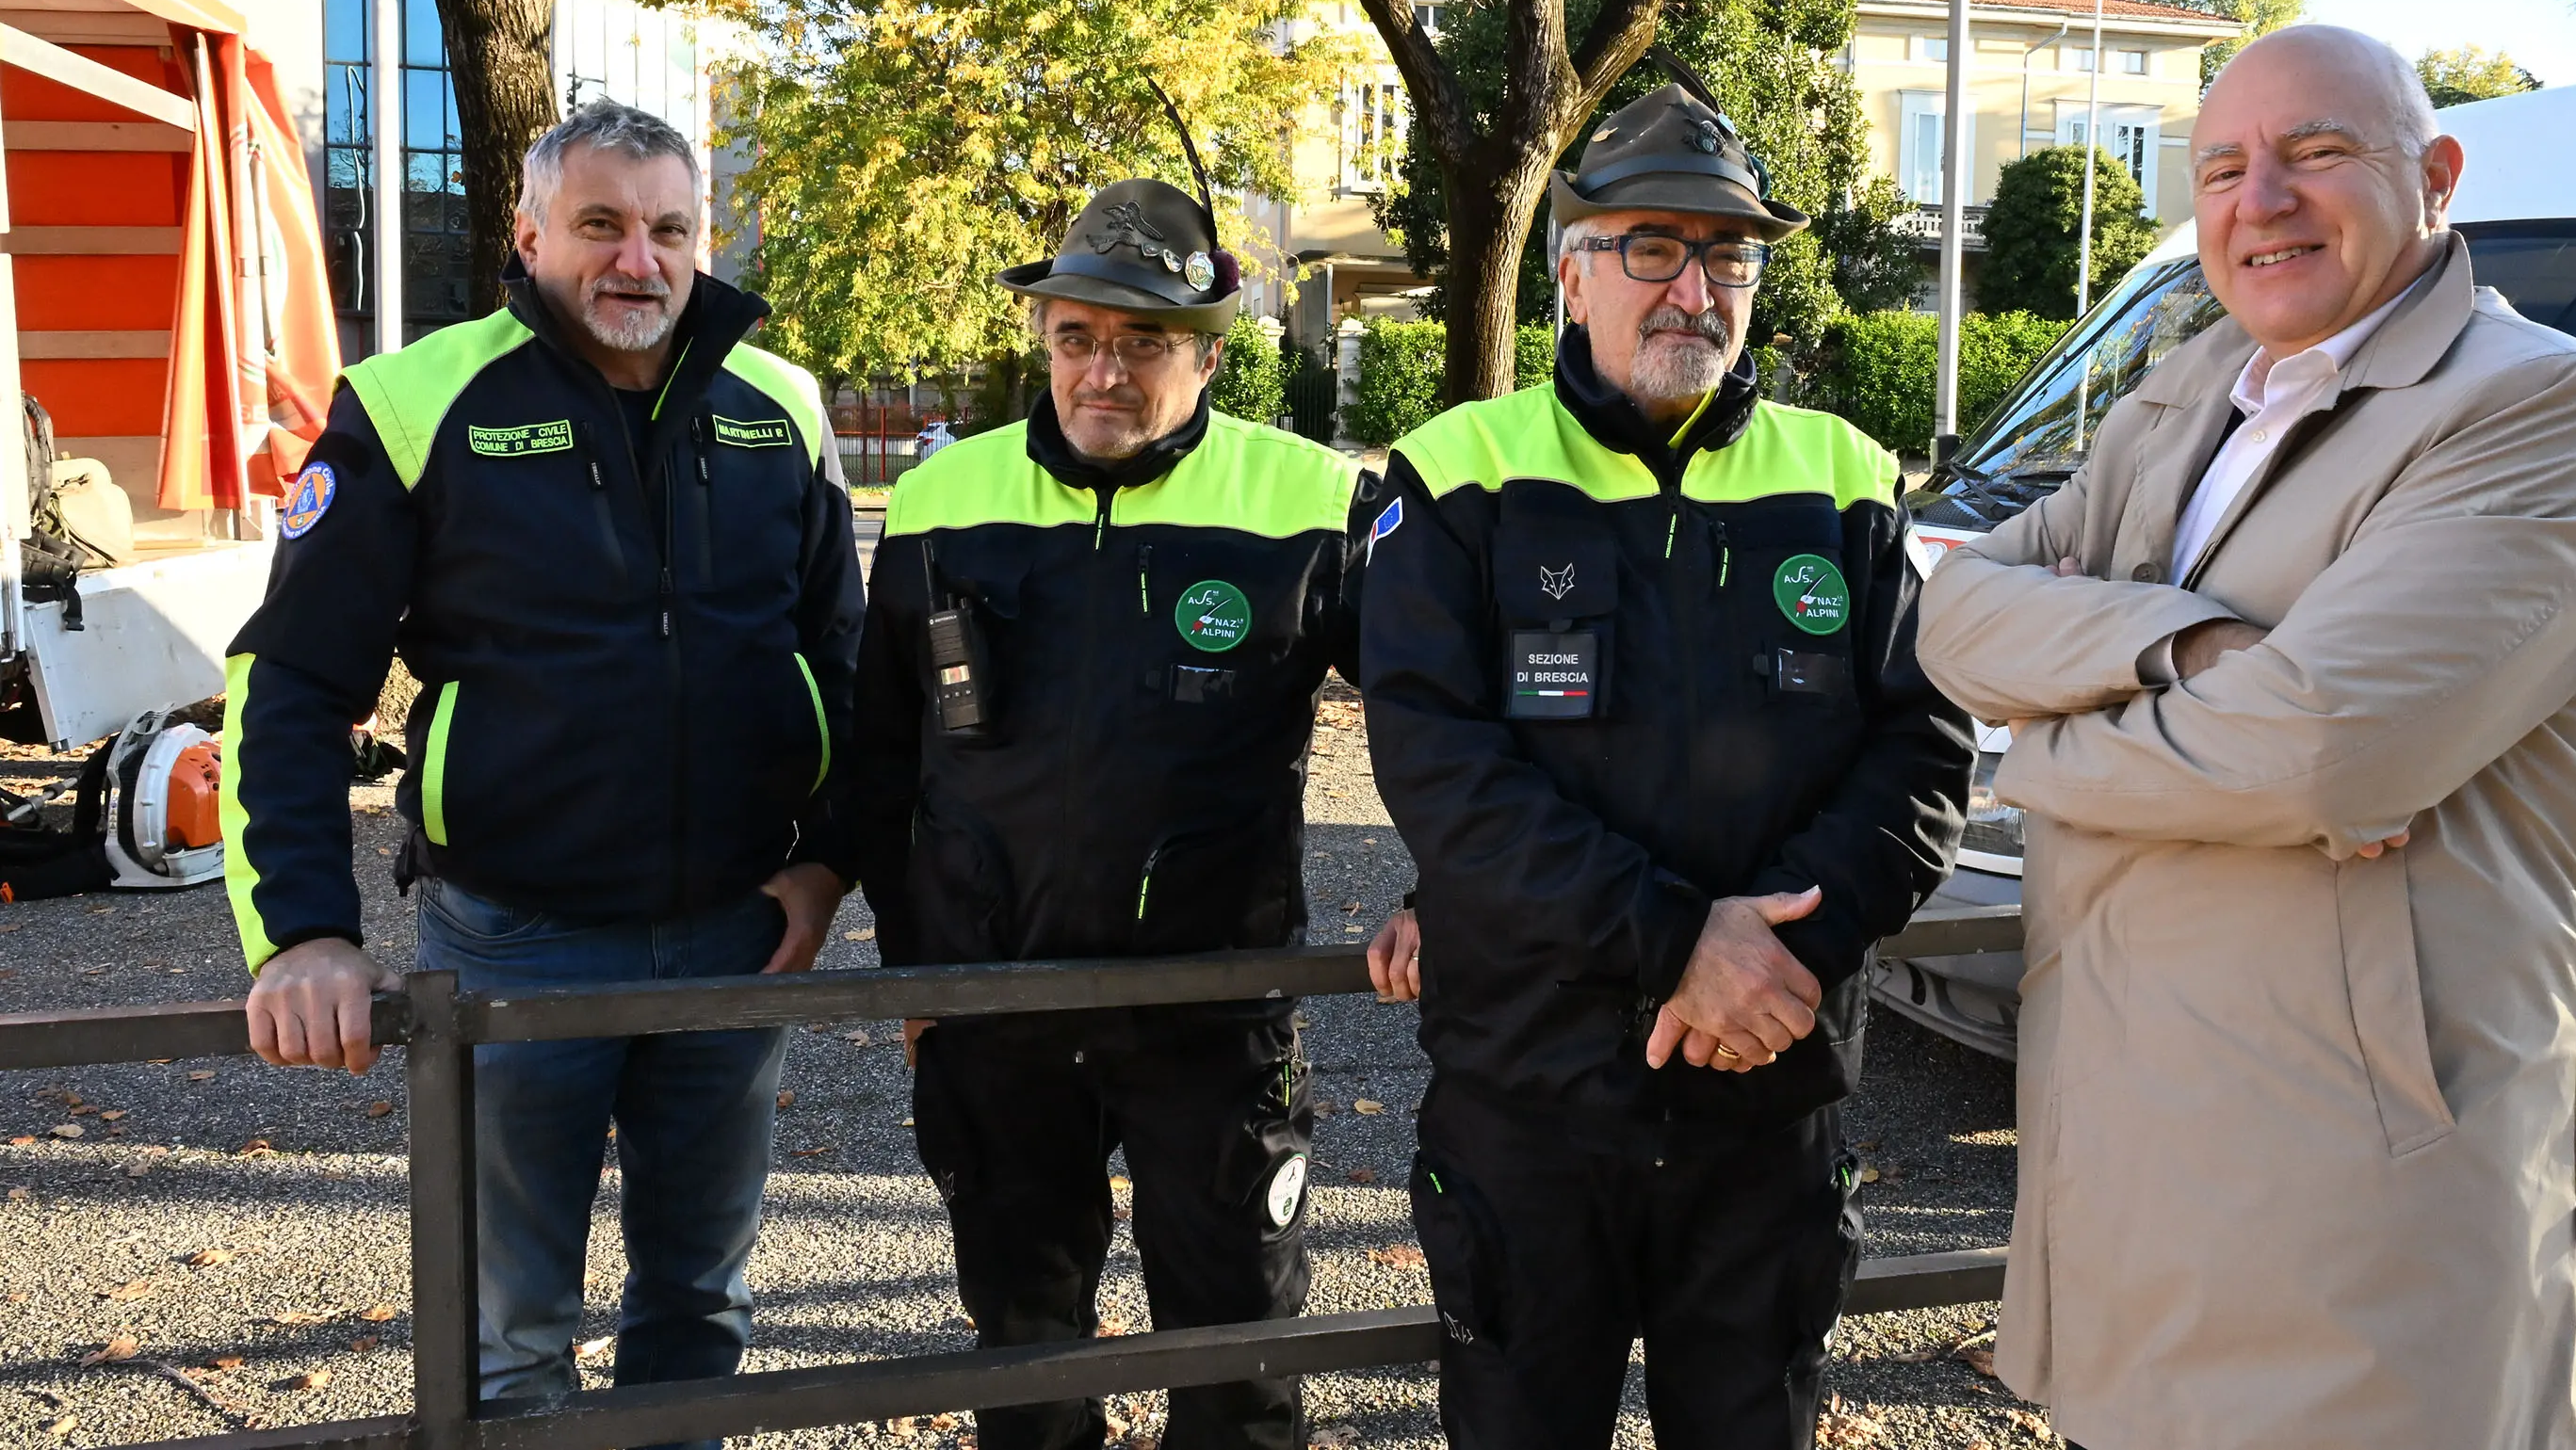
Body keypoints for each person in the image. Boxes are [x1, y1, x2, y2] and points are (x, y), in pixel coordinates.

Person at [1915, 25, 2576, 1450]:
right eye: (2224, 168)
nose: (2262, 200)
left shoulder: (2541, 408)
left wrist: (2039, 758)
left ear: (2434, 175)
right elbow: (1955, 615)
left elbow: (2319, 757)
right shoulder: (2190, 389)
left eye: (2317, 153)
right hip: (2124, 1149)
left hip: (2355, 1186)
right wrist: (2184, 649)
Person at [226, 99, 862, 1443]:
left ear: (704, 239)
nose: (640, 259)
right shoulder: (412, 401)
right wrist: (304, 935)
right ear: (528, 235)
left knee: (700, 1305)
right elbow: (290, 683)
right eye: (601, 226)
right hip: (516, 941)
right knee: (510, 1331)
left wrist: (825, 863)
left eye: (670, 229)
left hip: (734, 940)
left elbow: (849, 669)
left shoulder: (781, 406)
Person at [1358, 81, 1973, 1450]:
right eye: (1652, 247)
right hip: (1534, 1108)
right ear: (1573, 272)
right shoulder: (1456, 476)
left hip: (1771, 1100)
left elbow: (1924, 758)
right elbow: (1442, 770)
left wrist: (1775, 964)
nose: (1693, 286)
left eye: (1728, 254)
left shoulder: (1849, 478)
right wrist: (1678, 942)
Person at [844, 179, 1369, 1450]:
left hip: (1213, 1009)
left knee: (1237, 1351)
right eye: (1077, 337)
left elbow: (1439, 728)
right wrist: (918, 974)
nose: (1104, 372)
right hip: (997, 1011)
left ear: (1208, 352)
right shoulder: (940, 500)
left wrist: (1449, 895)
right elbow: (877, 759)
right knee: (1024, 1357)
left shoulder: (1305, 500)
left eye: (1144, 343)